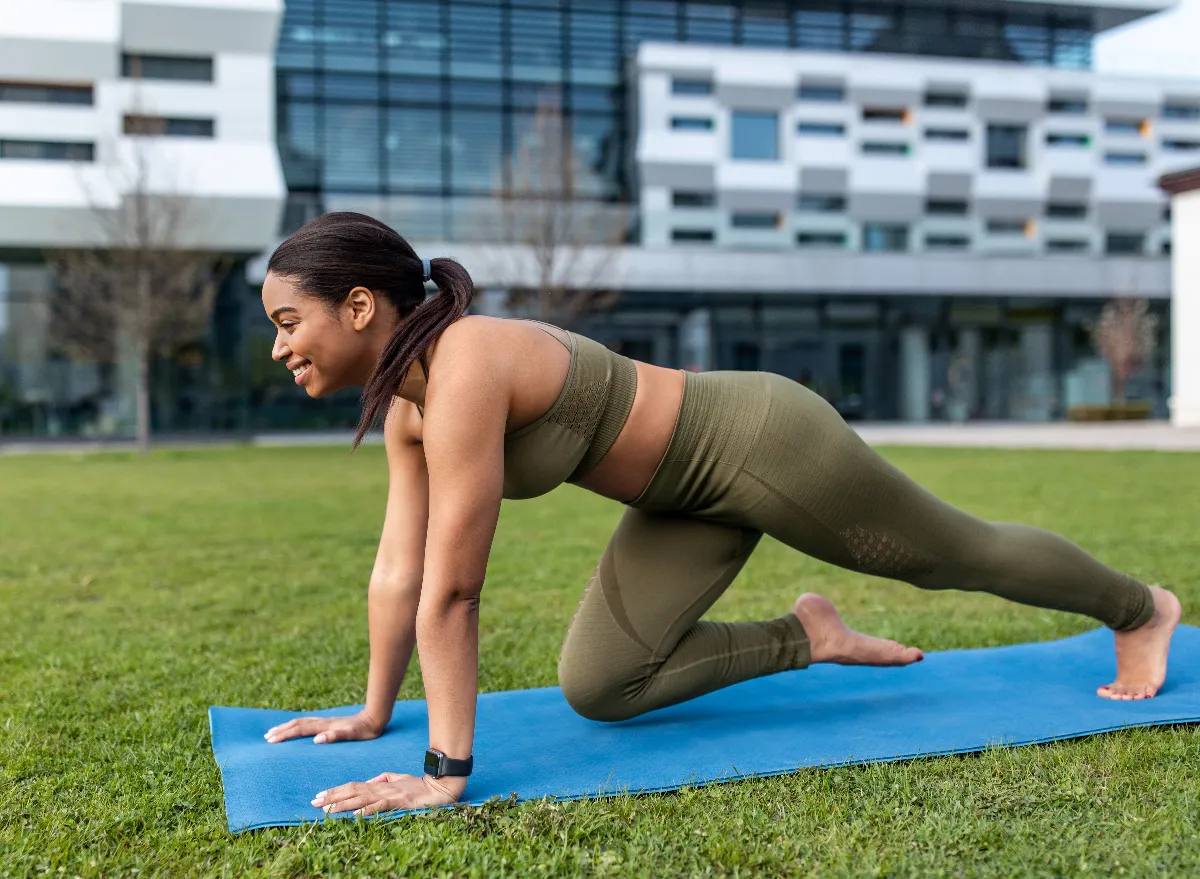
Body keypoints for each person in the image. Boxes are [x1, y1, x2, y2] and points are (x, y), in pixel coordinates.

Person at [259, 212, 1181, 818]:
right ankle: (810, 634)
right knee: (601, 684)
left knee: (950, 554)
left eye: (288, 321)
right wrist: (375, 712)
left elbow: (456, 590)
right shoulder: (409, 411)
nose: (277, 346)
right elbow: (402, 572)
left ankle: (1139, 608)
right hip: (678, 502)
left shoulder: (467, 364)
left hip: (759, 442)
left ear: (359, 305)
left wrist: (444, 774)